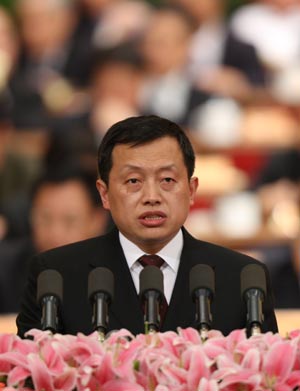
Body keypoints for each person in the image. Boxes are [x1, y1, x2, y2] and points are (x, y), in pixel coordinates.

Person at [16, 115, 278, 337]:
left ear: (191, 190)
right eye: (133, 181)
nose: (152, 196)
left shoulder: (244, 278)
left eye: (167, 179)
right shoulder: (55, 276)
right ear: (104, 193)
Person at [0, 164, 109, 314]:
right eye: (44, 218)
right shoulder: (5, 268)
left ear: (97, 221)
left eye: (69, 220)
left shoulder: (115, 274)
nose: (55, 234)